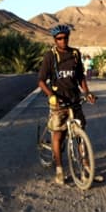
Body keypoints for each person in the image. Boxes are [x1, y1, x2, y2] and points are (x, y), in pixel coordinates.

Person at [38, 24, 96, 185]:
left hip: (74, 100)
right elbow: (41, 81)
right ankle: (59, 169)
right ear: (55, 40)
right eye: (59, 38)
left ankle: (86, 168)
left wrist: (87, 93)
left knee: (80, 134)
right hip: (58, 102)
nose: (63, 41)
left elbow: (80, 78)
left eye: (65, 38)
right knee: (59, 135)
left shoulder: (75, 54)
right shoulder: (50, 56)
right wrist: (51, 95)